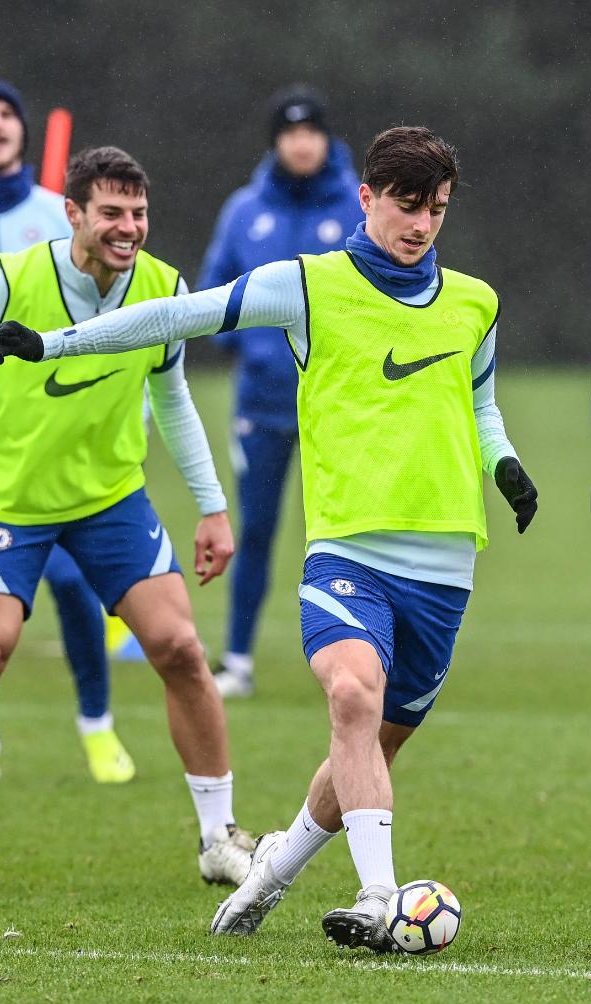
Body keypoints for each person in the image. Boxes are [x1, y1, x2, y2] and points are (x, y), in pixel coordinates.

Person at [0, 126, 538, 951]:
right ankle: (380, 895)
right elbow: (179, 315)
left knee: (367, 748)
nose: (421, 225)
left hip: (446, 559)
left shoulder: (475, 301)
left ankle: (271, 866)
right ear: (368, 198)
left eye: (437, 210)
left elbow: (481, 402)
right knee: (351, 697)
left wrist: (507, 465)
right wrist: (51, 343)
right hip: (347, 548)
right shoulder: (307, 285)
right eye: (407, 206)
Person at [0, 145, 253, 885]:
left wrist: (212, 507)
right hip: (8, 498)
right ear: (73, 213)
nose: (127, 228)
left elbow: (173, 399)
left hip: (110, 500)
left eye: (138, 213)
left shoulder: (163, 287)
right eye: (111, 213)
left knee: (180, 649)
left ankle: (218, 839)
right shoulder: (10, 281)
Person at [0, 77, 135, 784]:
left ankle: (97, 725)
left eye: (6, 113)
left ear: (24, 129)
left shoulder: (57, 213)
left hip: (48, 434)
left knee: (74, 586)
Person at [198, 85, 362, 698]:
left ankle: (361, 658)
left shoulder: (356, 205)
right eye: (291, 132)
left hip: (340, 406)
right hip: (263, 407)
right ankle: (236, 660)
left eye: (312, 131)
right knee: (258, 529)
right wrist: (260, 352)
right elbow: (215, 292)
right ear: (275, 141)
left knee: (349, 533)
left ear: (326, 139)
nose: (302, 142)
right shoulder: (245, 209)